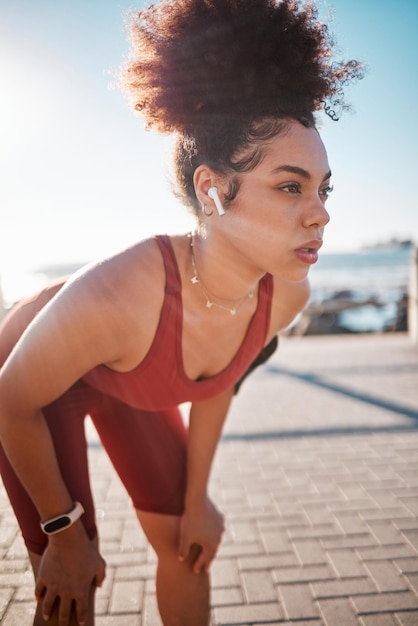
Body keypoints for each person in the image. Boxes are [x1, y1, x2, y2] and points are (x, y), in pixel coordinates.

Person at [0, 1, 362, 624]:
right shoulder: (127, 291)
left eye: (324, 188)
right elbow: (10, 400)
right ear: (211, 189)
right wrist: (62, 535)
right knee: (72, 580)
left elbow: (219, 384)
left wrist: (198, 500)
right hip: (27, 392)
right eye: (290, 185)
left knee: (189, 548)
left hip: (125, 382)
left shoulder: (287, 295)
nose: (320, 212)